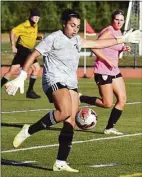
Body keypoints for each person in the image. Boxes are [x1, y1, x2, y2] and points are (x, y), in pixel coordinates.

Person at [4, 9, 140, 172]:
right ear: (64, 23)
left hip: (71, 82)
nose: (75, 29)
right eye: (72, 25)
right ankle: (29, 130)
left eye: (77, 26)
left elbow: (97, 44)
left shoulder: (76, 39)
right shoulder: (53, 38)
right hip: (54, 80)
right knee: (65, 111)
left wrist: (122, 38)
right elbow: (33, 55)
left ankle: (60, 162)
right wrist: (22, 76)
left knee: (71, 122)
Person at [79, 9, 132, 135]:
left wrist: (123, 48)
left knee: (122, 99)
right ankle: (80, 97)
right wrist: (107, 60)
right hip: (103, 70)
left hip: (114, 70)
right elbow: (93, 46)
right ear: (112, 20)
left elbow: (112, 47)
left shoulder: (119, 32)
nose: (119, 22)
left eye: (121, 20)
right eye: (116, 19)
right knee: (107, 103)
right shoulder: (108, 31)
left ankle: (109, 128)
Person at [1, 8, 42, 99]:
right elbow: (12, 31)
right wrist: (12, 46)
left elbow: (28, 36)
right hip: (23, 49)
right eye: (35, 16)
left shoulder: (35, 25)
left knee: (12, 70)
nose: (36, 18)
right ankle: (30, 91)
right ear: (31, 16)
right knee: (36, 68)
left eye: (38, 17)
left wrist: (37, 38)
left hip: (27, 50)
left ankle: (30, 91)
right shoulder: (25, 25)